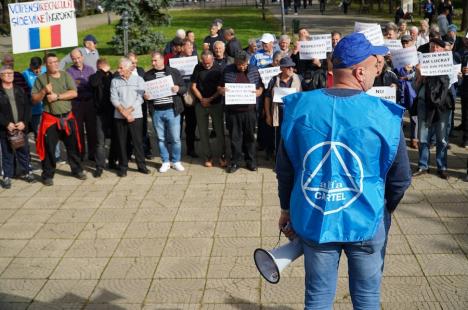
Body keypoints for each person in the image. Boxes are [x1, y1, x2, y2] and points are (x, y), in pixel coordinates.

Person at [276, 32, 411, 309]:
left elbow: (285, 168)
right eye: (376, 66)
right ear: (360, 72)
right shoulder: (385, 114)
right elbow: (401, 178)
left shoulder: (298, 107)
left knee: (317, 297)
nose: (378, 71)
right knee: (367, 299)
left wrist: (286, 209)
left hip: (316, 216)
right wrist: (385, 207)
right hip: (368, 218)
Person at [32, 53, 86, 186]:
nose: (55, 64)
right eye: (51, 62)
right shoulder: (41, 79)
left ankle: (77, 170)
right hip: (50, 119)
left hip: (67, 117)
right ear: (46, 64)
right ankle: (48, 175)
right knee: (49, 149)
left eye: (56, 61)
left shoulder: (65, 75)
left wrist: (57, 96)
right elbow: (34, 100)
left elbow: (74, 93)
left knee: (73, 146)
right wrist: (44, 91)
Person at [413, 38, 454, 179]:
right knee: (423, 136)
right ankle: (423, 165)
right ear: (429, 49)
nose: (435, 50)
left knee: (442, 138)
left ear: (443, 50)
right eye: (432, 47)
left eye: (438, 47)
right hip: (424, 103)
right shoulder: (422, 63)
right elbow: (415, 87)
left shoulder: (449, 62)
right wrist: (419, 75)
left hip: (442, 105)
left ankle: (442, 167)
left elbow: (451, 84)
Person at [219, 51, 263, 173]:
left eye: (244, 65)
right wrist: (221, 90)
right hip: (233, 111)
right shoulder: (227, 70)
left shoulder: (254, 70)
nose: (242, 67)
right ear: (235, 63)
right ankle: (235, 162)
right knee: (235, 137)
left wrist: (259, 92)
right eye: (240, 65)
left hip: (249, 111)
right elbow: (219, 86)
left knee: (250, 137)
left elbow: (260, 86)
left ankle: (251, 161)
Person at [144, 52, 186, 173]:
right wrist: (145, 96)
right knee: (161, 138)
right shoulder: (148, 75)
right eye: (152, 61)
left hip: (172, 110)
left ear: (162, 60)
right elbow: (144, 92)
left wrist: (178, 89)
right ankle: (165, 161)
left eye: (155, 60)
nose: (153, 63)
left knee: (175, 138)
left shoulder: (173, 72)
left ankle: (176, 161)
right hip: (156, 111)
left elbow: (184, 88)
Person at [110, 57, 150, 177]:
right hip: (119, 116)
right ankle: (123, 167)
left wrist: (130, 111)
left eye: (121, 68)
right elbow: (113, 98)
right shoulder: (115, 81)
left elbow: (140, 98)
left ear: (128, 68)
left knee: (137, 142)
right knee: (121, 143)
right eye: (119, 67)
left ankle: (141, 165)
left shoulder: (139, 80)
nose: (118, 69)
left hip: (136, 116)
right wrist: (123, 112)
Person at [0, 65, 35, 189]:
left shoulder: (20, 90)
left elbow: (28, 108)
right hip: (5, 129)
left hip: (20, 127)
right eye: (6, 73)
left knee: (23, 151)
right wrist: (5, 123)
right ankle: (7, 176)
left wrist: (24, 122)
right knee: (7, 153)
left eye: (11, 73)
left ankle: (27, 172)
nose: (9, 75)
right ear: (1, 76)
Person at [191, 51, 226, 168]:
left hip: (216, 103)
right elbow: (193, 86)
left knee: (219, 130)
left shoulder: (219, 69)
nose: (206, 65)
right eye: (204, 63)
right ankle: (208, 156)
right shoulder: (198, 67)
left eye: (208, 63)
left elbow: (221, 88)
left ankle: (222, 155)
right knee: (203, 131)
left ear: (213, 60)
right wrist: (202, 99)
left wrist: (210, 99)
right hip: (201, 104)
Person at [264, 57, 302, 156]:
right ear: (281, 68)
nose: (291, 69)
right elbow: (267, 98)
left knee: (292, 136)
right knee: (279, 137)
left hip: (293, 114)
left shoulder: (298, 78)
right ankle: (278, 160)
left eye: (292, 67)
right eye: (288, 67)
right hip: (279, 113)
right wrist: (268, 115)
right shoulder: (273, 80)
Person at [66, 48, 96, 161]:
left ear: (82, 57)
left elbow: (93, 85)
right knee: (78, 130)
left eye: (78, 58)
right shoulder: (69, 72)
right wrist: (82, 86)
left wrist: (81, 85)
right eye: (74, 59)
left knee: (91, 130)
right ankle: (81, 153)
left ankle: (92, 154)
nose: (77, 60)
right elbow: (72, 88)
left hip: (89, 103)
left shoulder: (90, 69)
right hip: (77, 104)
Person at [89, 58, 116, 177]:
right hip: (100, 113)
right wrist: (101, 72)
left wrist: (107, 73)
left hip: (114, 112)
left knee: (114, 139)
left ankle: (112, 161)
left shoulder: (113, 76)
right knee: (100, 142)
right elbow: (94, 83)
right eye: (102, 67)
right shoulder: (95, 77)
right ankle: (99, 166)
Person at [22, 57, 46, 138]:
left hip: (47, 109)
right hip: (35, 111)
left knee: (51, 135)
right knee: (39, 135)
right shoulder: (25, 74)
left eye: (38, 67)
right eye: (34, 67)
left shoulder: (45, 71)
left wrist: (40, 76)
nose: (36, 70)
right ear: (30, 65)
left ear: (41, 66)